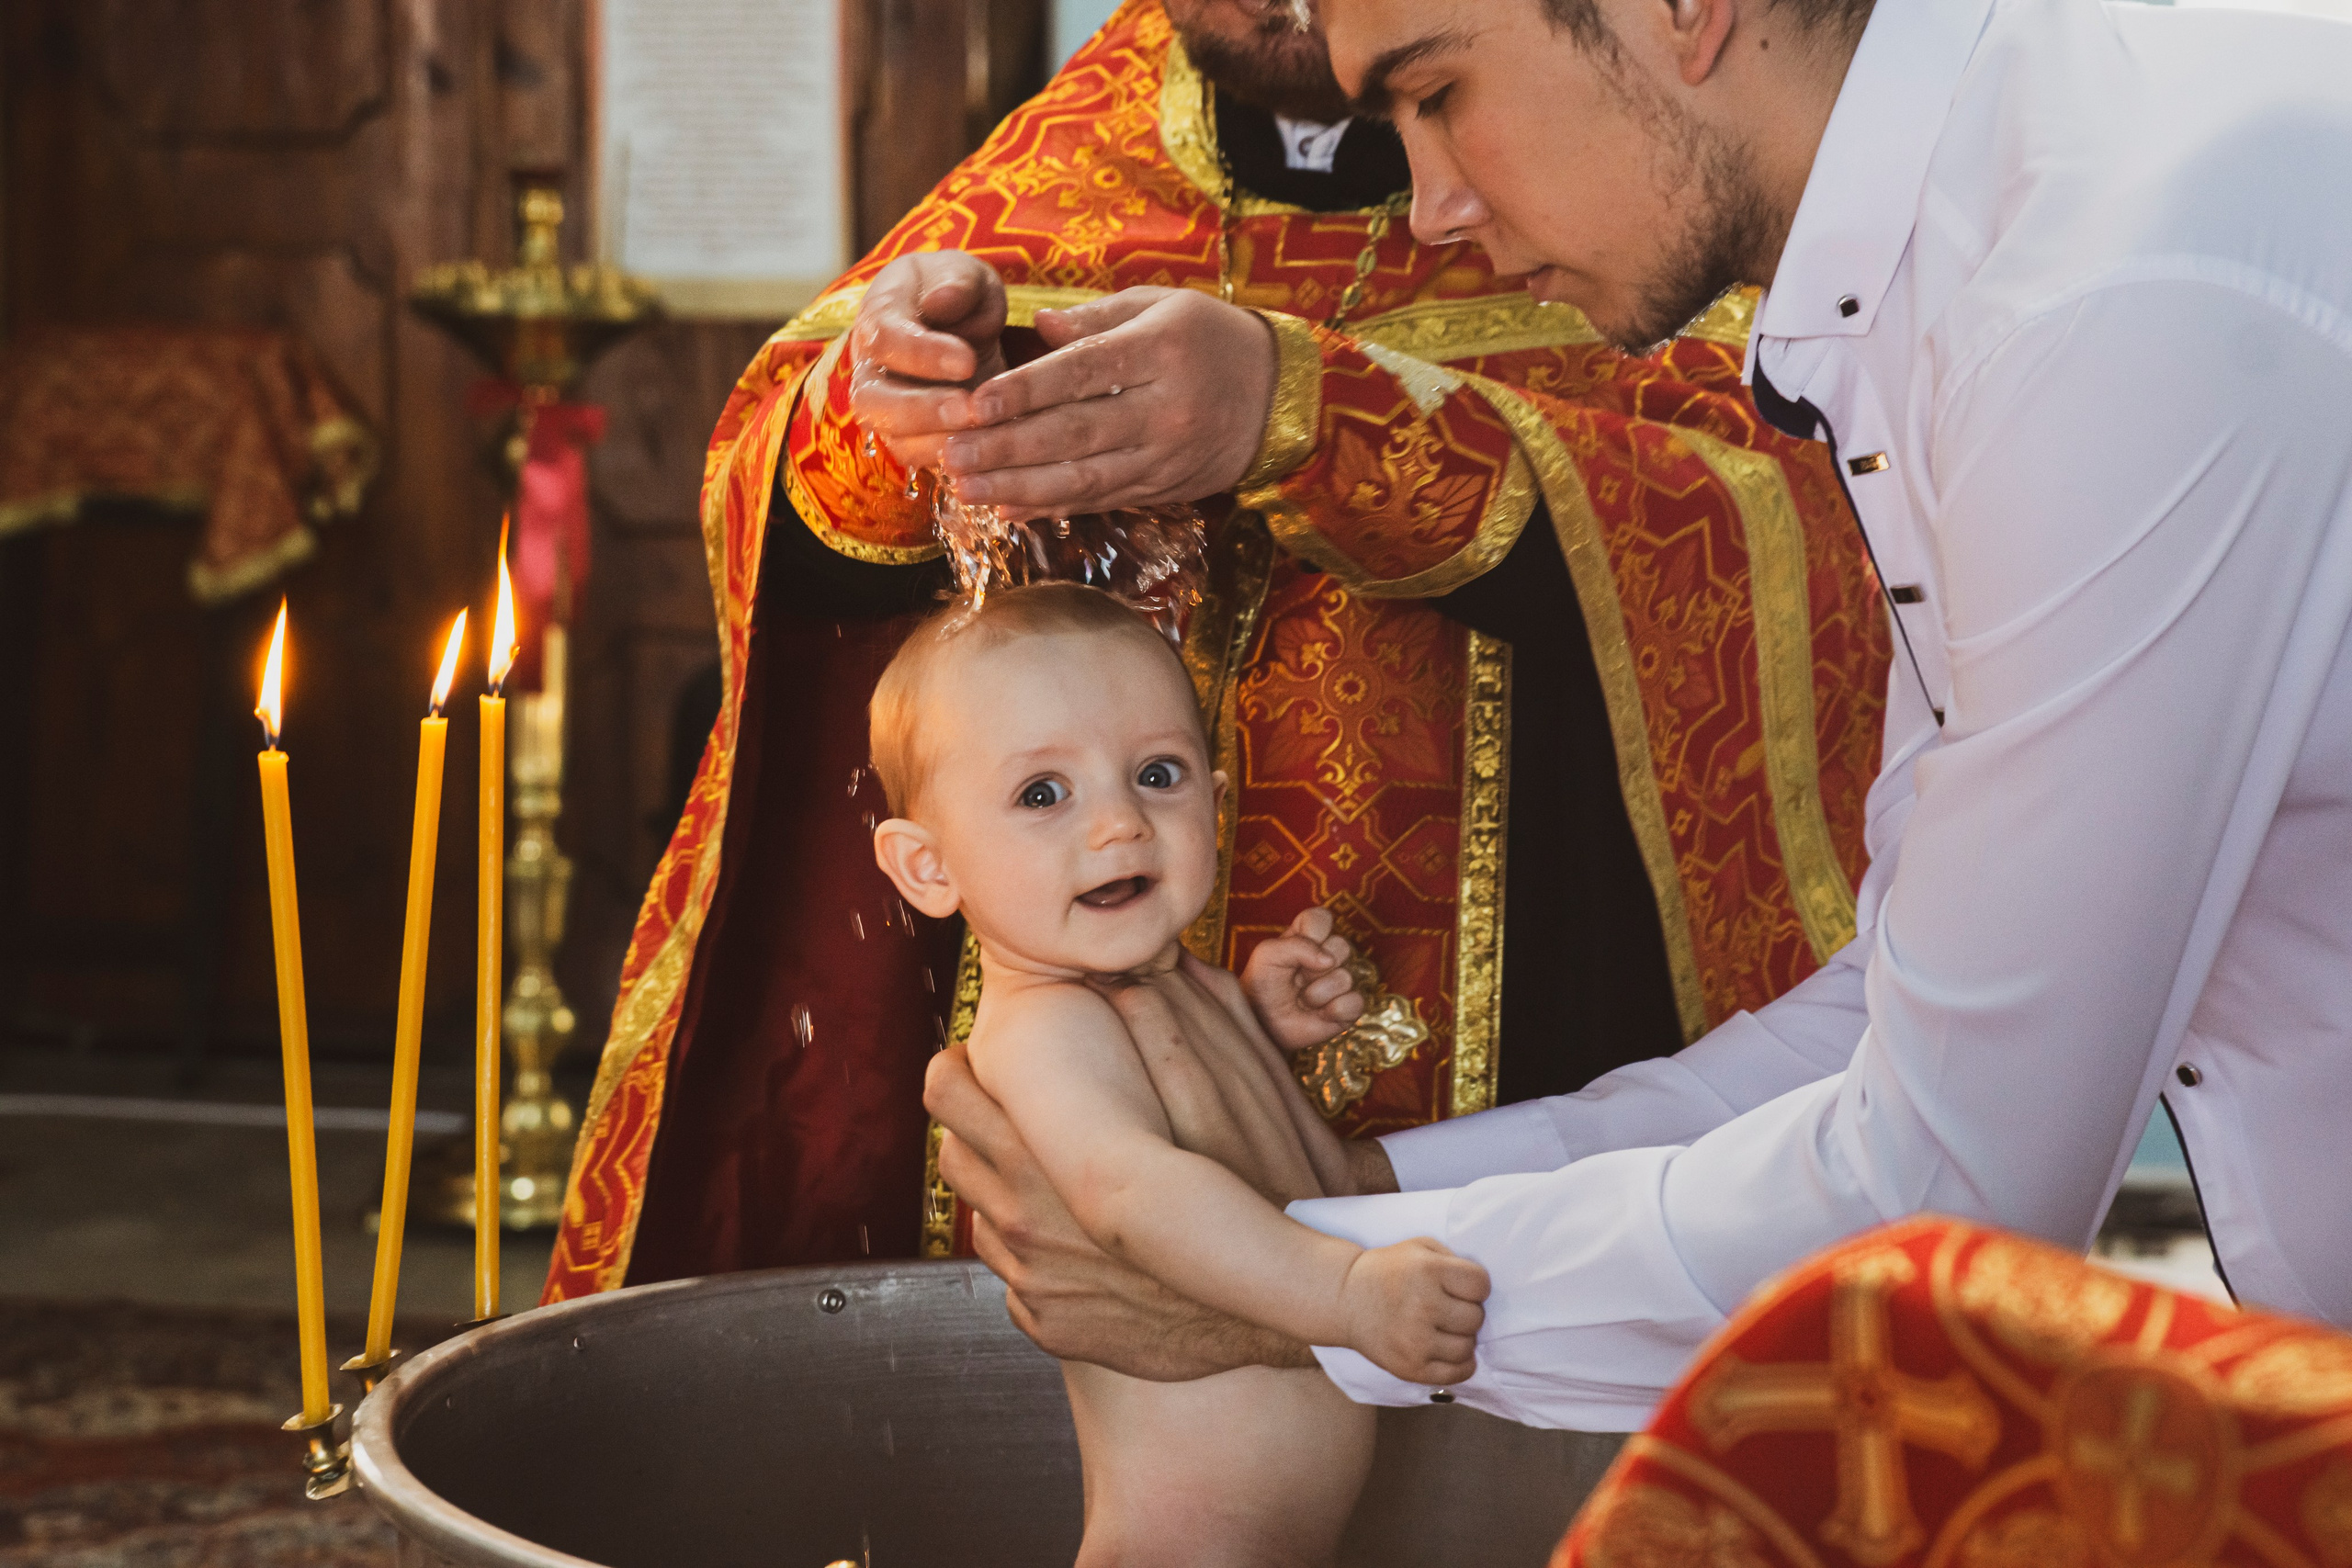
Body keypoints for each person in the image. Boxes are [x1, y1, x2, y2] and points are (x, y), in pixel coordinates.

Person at [930, 0, 2352, 1428]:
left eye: (1439, 95)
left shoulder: (2103, 290)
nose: (1429, 209)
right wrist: (1362, 1203)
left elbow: (1947, 1185)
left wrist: (1295, 1290)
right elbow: (1902, 1003)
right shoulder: (1991, 231)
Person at [547, 0, 1890, 1303]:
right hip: (1080, 1110)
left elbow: (1798, 537)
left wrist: (1315, 420)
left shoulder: (1632, 135)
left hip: (1550, 1028)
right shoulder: (1073, 159)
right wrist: (904, 414)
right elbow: (795, 536)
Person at [868, 581, 1485, 1565]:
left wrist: (1258, 1023)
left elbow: (1204, 1124)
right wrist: (1349, 1297)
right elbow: (1129, 1190)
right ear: (927, 869)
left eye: (1158, 774)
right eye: (1043, 794)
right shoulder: (1041, 1028)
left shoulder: (1175, 985)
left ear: (1218, 799)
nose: (1118, 824)